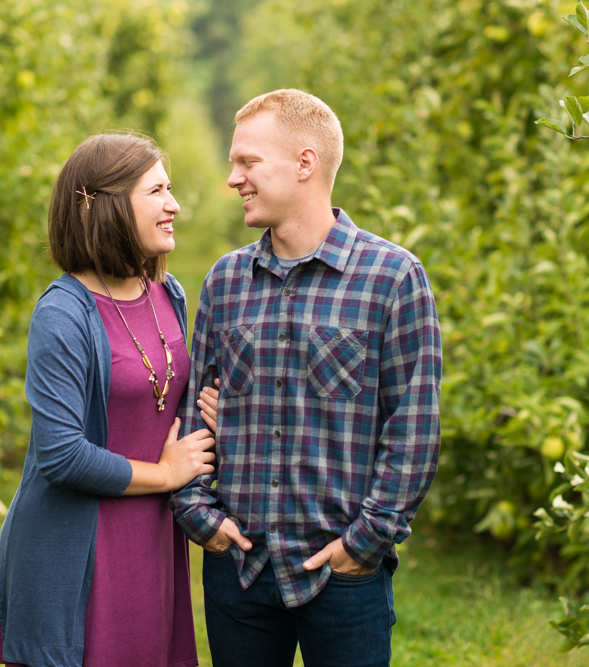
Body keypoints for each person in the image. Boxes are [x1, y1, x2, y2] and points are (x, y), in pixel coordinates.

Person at [170, 89, 443, 667]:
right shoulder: (225, 282)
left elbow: (413, 428)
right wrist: (200, 517)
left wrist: (364, 544)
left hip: (342, 576)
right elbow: (195, 412)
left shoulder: (392, 278)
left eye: (247, 162)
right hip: (240, 569)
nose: (233, 178)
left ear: (304, 163)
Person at [0, 133, 220, 667]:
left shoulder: (168, 293)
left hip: (150, 540)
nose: (174, 204)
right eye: (157, 191)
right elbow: (61, 455)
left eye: (171, 188)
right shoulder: (64, 314)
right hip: (79, 545)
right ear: (111, 206)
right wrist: (166, 474)